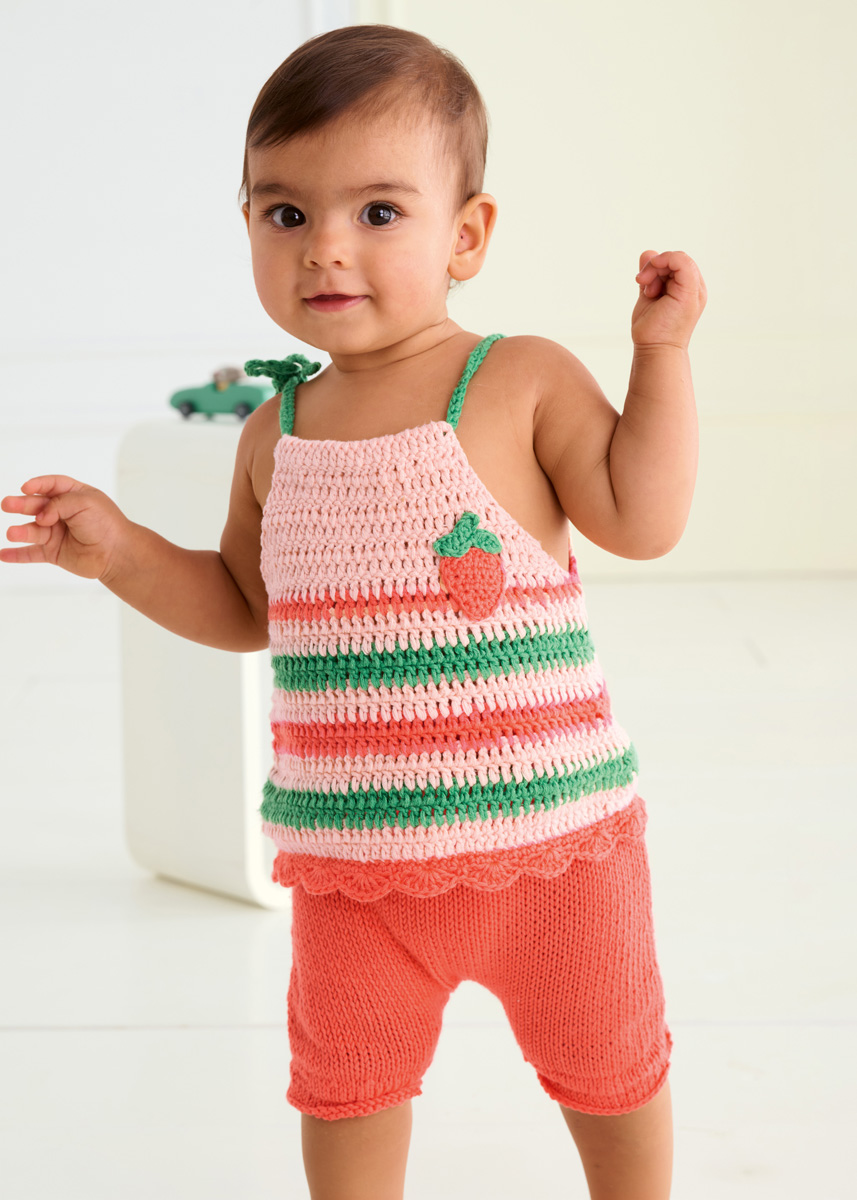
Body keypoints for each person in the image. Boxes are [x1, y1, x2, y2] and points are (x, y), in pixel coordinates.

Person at [0, 23, 706, 1200]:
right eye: (285, 213)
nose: (325, 246)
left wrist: (660, 354)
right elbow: (244, 605)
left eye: (378, 212)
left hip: (552, 856)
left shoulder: (517, 379)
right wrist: (121, 552)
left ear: (464, 234)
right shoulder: (273, 431)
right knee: (345, 1089)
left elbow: (642, 517)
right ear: (246, 225)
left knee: (611, 1067)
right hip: (354, 869)